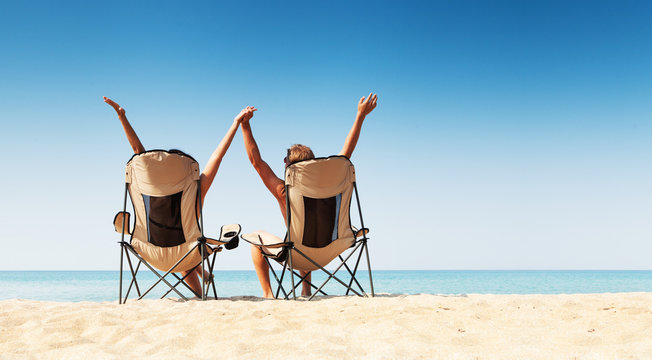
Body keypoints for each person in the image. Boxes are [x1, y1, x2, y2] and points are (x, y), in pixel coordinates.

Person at [104, 96, 256, 296]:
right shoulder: (196, 190)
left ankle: (200, 284)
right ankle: (201, 291)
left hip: (150, 252)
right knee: (185, 244)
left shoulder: (147, 188)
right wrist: (236, 123)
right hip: (186, 252)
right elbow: (217, 156)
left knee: (179, 243)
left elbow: (138, 153)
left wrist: (122, 117)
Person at [241, 93, 378, 298]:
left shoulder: (283, 191)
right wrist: (360, 116)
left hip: (299, 254)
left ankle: (269, 295)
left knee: (257, 239)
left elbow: (257, 163)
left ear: (288, 165)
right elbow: (346, 154)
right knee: (305, 237)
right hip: (332, 249)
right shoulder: (333, 183)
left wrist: (245, 126)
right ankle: (305, 290)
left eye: (285, 160)